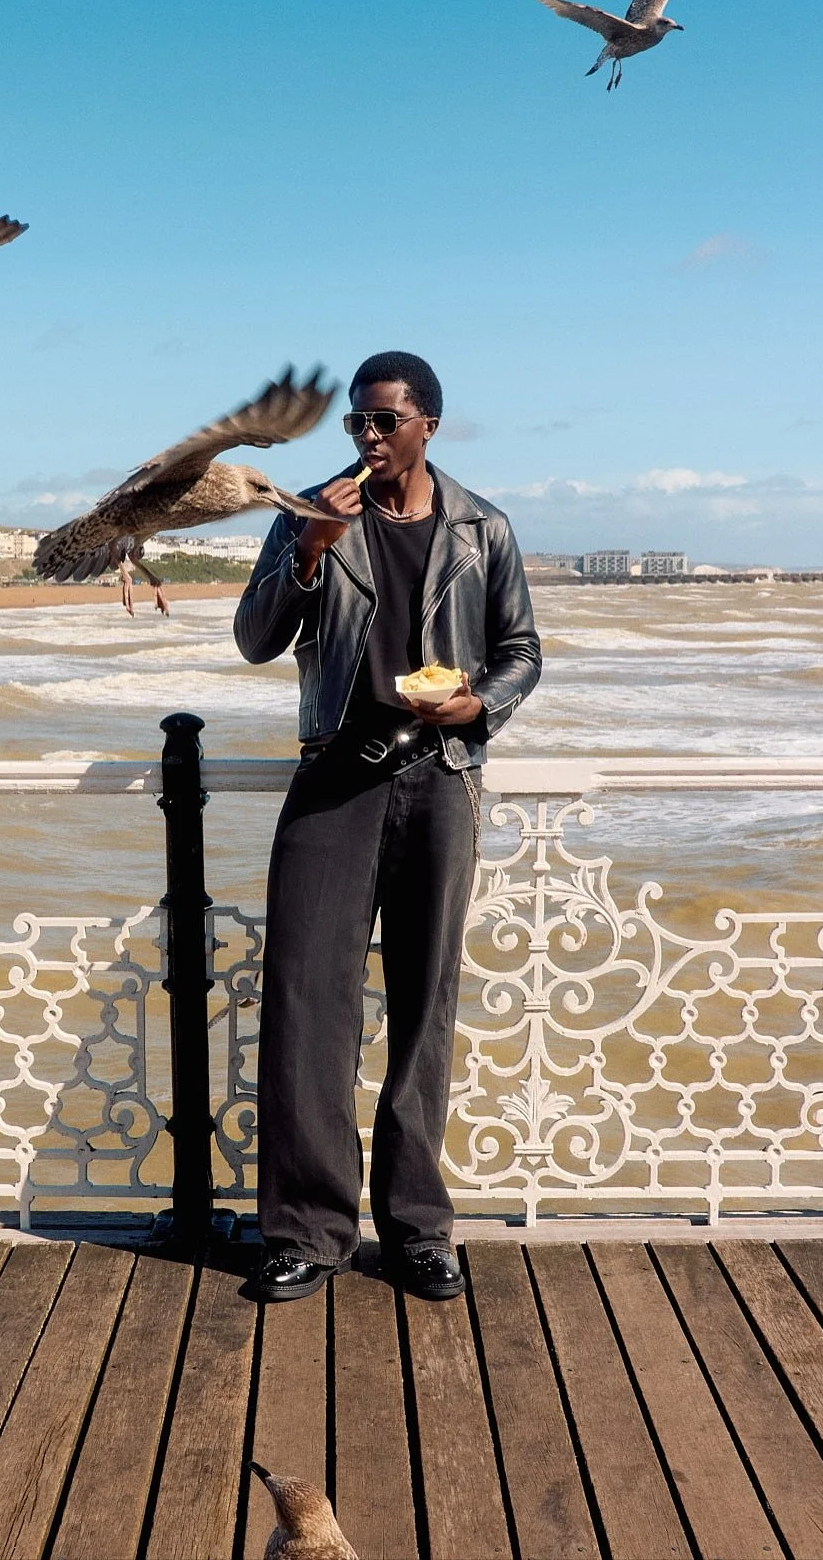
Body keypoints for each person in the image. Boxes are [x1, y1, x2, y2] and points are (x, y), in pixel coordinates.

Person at [234, 350, 541, 1302]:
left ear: (428, 426)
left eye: (384, 422)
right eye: (356, 422)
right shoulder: (316, 513)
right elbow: (254, 638)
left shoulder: (483, 527)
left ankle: (416, 1225)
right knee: (303, 1001)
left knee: (424, 1005)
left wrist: (478, 705)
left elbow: (523, 650)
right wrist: (311, 545)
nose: (366, 437)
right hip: (335, 778)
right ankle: (306, 1229)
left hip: (440, 778)